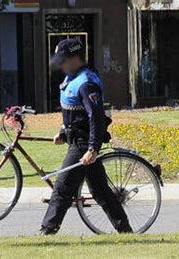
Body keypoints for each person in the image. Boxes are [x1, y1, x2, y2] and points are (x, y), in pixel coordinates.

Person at [40, 39, 133, 235]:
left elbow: (95, 117)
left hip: (83, 144)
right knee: (101, 192)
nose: (61, 65)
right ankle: (125, 231)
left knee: (62, 188)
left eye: (63, 60)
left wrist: (93, 148)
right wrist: (63, 133)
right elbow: (75, 115)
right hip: (77, 140)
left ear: (75, 59)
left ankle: (47, 231)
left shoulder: (86, 83)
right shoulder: (73, 79)